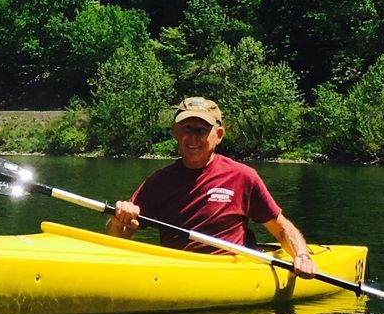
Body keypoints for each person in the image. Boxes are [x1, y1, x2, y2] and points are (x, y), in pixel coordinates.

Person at [108, 97, 316, 277]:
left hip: (226, 270)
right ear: (175, 133)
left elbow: (281, 229)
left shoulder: (243, 177)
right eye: (187, 129)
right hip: (175, 268)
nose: (193, 138)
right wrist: (119, 220)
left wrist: (302, 256)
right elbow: (116, 240)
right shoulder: (158, 182)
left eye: (201, 130)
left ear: (219, 135)